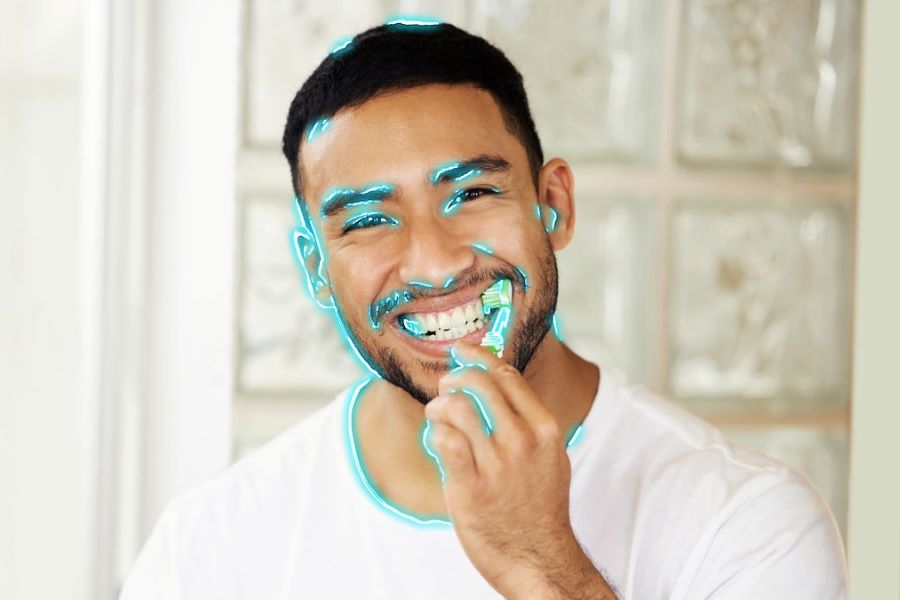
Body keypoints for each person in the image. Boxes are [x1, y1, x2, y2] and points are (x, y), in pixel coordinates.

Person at [120, 21, 848, 599]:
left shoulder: (747, 524)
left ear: (553, 204)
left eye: (470, 194)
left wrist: (541, 566)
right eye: (370, 220)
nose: (436, 263)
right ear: (315, 267)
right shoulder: (207, 549)